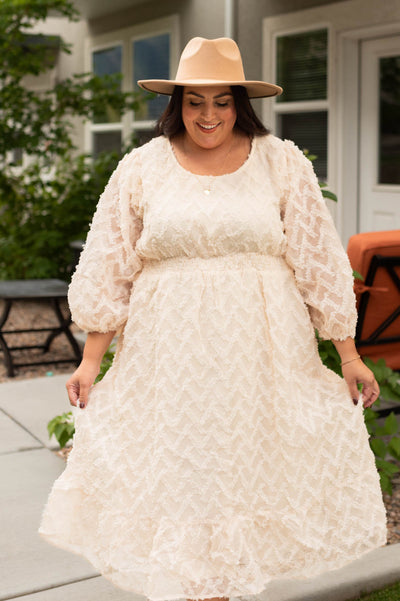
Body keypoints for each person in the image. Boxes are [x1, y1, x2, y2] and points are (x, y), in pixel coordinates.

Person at [39, 37, 387, 601]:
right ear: (176, 104)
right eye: (195, 102)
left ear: (240, 104)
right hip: (168, 349)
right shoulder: (142, 167)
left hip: (259, 348)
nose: (208, 115)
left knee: (244, 473)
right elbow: (111, 264)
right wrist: (91, 361)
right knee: (186, 476)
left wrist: (347, 353)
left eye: (221, 101)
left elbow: (316, 258)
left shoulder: (280, 161)